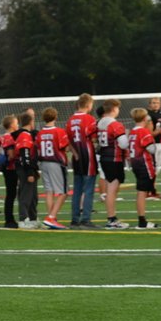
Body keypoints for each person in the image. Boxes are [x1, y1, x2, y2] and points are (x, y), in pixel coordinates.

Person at [35, 108, 70, 230]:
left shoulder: (40, 133)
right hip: (56, 162)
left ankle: (51, 218)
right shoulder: (59, 131)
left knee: (49, 191)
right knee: (63, 192)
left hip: (43, 162)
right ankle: (51, 217)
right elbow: (65, 148)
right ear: (55, 117)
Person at [67, 94, 98, 228]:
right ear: (88, 104)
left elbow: (67, 140)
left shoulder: (70, 120)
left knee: (77, 189)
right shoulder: (89, 119)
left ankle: (75, 219)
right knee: (89, 188)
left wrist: (74, 153)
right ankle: (86, 219)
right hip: (88, 156)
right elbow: (94, 138)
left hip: (76, 157)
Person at [129, 108, 158, 229]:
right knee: (142, 192)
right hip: (143, 164)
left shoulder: (132, 131)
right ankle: (142, 221)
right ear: (145, 118)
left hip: (135, 163)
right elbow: (151, 149)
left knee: (142, 191)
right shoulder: (143, 132)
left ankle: (142, 219)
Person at [13, 112, 40, 229]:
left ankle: (33, 218)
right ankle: (23, 219)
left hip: (29, 168)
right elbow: (25, 154)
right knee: (26, 194)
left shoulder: (26, 134)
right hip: (25, 169)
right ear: (30, 122)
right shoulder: (24, 135)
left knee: (33, 195)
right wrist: (29, 171)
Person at [0, 117, 19, 229]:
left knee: (11, 193)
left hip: (8, 168)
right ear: (11, 125)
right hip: (11, 168)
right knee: (11, 194)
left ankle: (9, 218)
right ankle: (9, 219)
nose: (17, 124)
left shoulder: (3, 137)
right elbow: (10, 154)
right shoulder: (9, 137)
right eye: (16, 122)